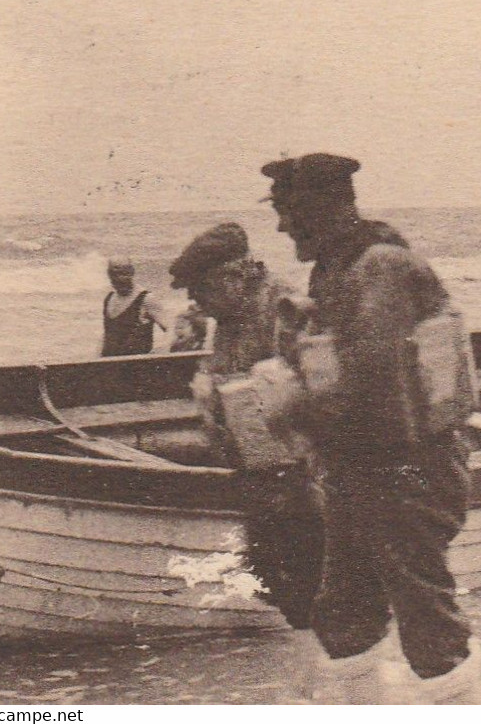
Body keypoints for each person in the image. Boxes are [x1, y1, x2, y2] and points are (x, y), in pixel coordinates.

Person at [260, 153, 478, 704]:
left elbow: (376, 388)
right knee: (344, 619)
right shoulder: (337, 268)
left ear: (320, 208)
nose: (282, 225)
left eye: (288, 210)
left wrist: (292, 404)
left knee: (428, 626)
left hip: (406, 470)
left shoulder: (379, 266)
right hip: (360, 470)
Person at [168, 221, 322, 693]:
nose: (199, 303)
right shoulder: (228, 322)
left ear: (234, 278)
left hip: (300, 473)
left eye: (203, 290)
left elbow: (322, 390)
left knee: (311, 575)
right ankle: (312, 672)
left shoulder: (285, 310)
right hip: (257, 471)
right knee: (271, 572)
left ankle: (321, 681)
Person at [100, 257, 171, 356]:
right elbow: (107, 334)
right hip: (110, 363)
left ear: (132, 272)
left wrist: (161, 349)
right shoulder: (109, 299)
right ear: (109, 275)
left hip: (136, 365)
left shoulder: (146, 299)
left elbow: (170, 329)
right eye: (114, 274)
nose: (120, 278)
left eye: (124, 273)